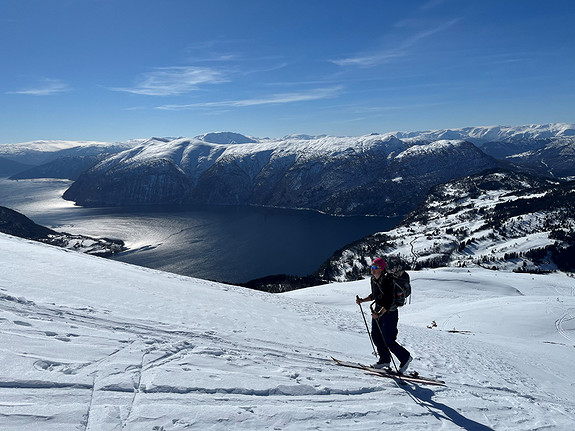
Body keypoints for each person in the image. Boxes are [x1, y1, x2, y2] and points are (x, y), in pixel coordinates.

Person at [356, 258, 413, 373]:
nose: (372, 269)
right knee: (376, 336)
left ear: (381, 269)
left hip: (389, 313)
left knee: (388, 339)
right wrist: (363, 300)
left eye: (375, 267)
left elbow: (389, 300)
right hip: (378, 311)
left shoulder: (387, 280)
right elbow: (375, 295)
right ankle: (384, 360)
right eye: (372, 267)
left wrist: (379, 313)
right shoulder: (373, 279)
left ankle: (405, 357)